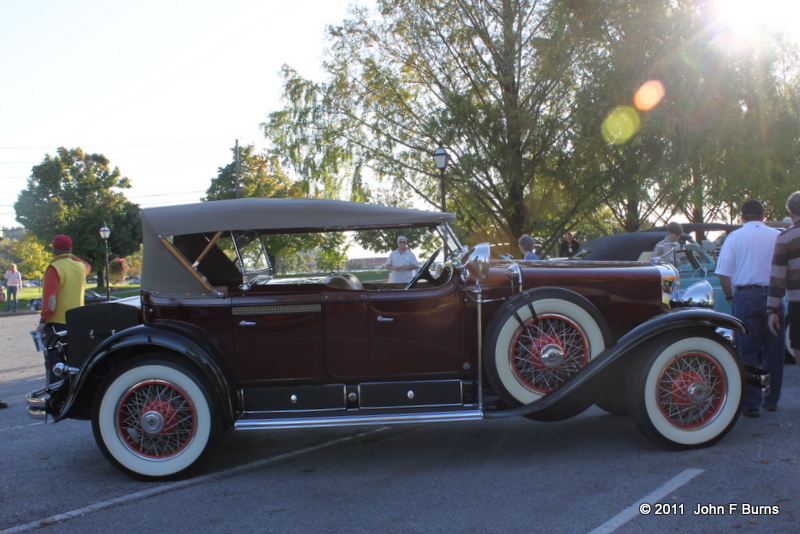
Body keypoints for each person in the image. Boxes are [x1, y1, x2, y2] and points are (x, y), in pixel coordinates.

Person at [716, 200, 783, 417]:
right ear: (764, 215)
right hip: (773, 296)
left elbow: (723, 273)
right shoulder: (776, 236)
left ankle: (751, 403)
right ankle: (771, 400)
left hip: (745, 296)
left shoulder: (734, 237)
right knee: (774, 351)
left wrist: (730, 297)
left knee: (747, 351)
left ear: (742, 217)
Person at [36, 235, 91, 385]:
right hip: (77, 320)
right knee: (73, 362)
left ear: (53, 249)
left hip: (57, 321)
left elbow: (50, 299)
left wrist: (43, 321)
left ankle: (55, 394)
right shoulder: (80, 267)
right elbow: (87, 265)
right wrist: (71, 256)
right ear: (70, 249)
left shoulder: (54, 268)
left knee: (55, 362)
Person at [768, 192, 800, 371]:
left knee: (798, 343)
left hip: (797, 301)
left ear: (791, 211)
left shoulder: (785, 238)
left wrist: (772, 309)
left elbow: (777, 276)